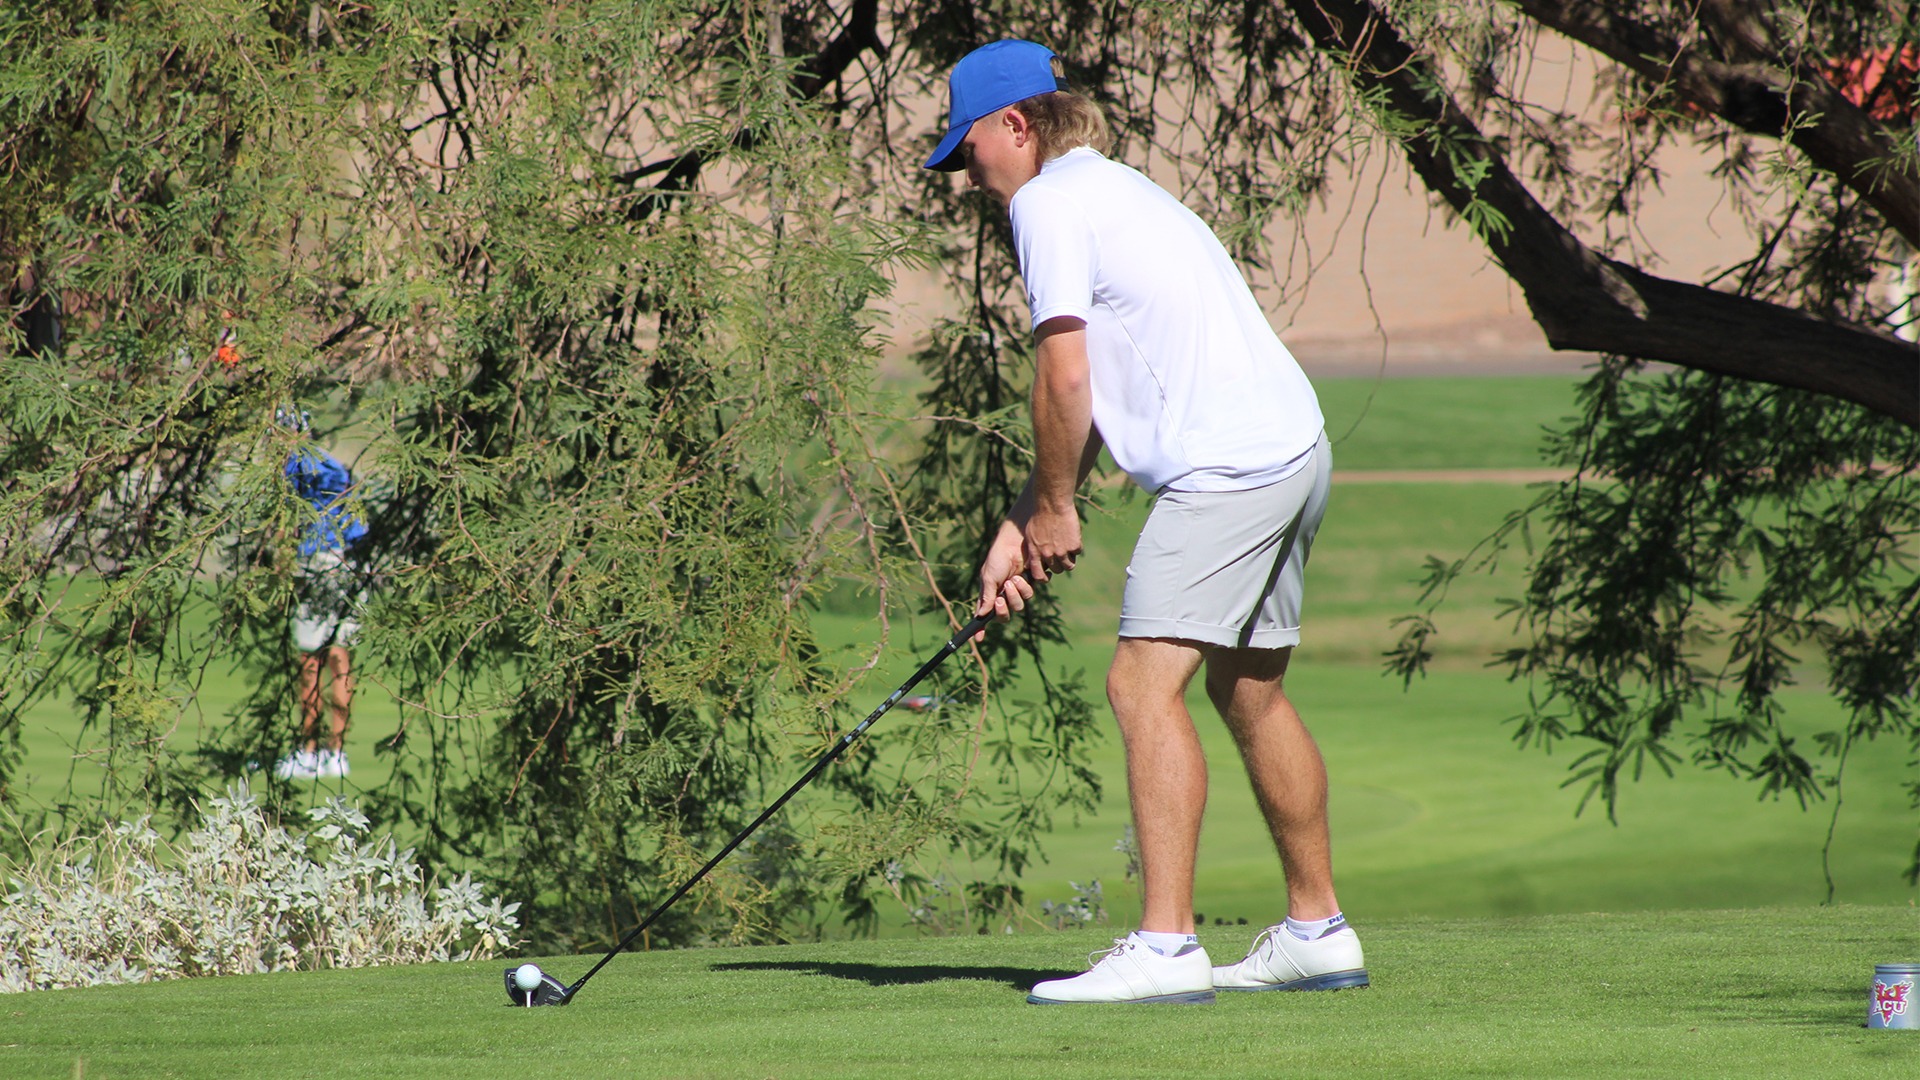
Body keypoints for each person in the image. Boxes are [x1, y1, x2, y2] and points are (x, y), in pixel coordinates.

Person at [925, 40, 1367, 1004]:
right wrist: (1024, 517)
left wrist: (1055, 509)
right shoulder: (1116, 189)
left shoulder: (1045, 204)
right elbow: (1099, 392)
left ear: (1017, 124)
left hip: (1229, 469)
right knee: (1249, 693)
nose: (969, 174)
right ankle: (1317, 930)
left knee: (1138, 685)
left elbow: (1064, 376)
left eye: (969, 150)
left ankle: (1166, 949)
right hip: (1293, 449)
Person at [272, 409, 369, 782]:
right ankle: (336, 754)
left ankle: (308, 752)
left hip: (316, 564)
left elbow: (285, 526)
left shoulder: (294, 466)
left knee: (310, 662)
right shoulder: (335, 466)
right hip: (349, 565)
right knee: (340, 660)